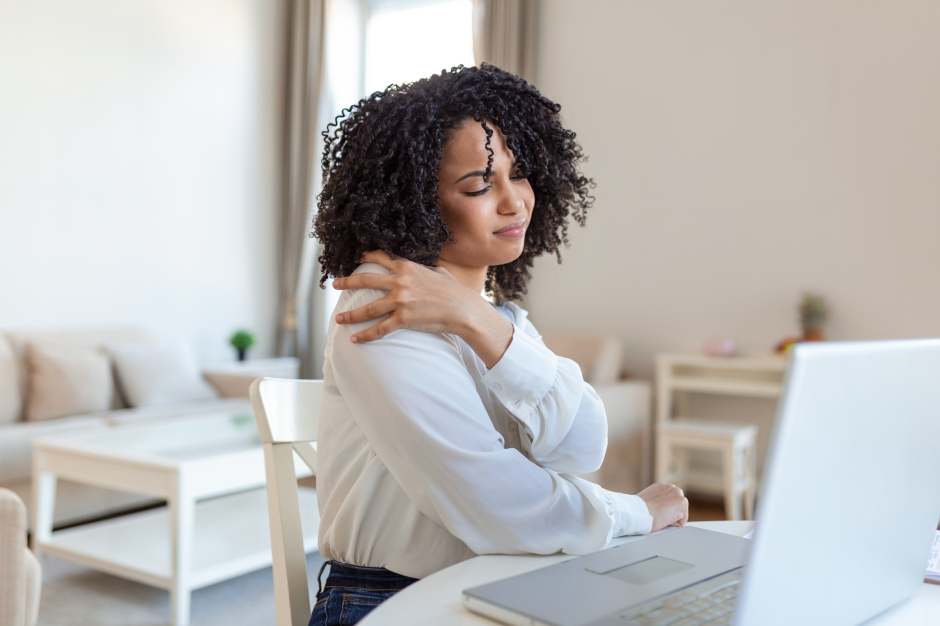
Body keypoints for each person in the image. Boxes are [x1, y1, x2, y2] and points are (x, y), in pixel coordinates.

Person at [310, 64, 688, 626]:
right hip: (388, 601)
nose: (514, 202)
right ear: (415, 199)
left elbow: (584, 447)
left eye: (520, 174)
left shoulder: (489, 312)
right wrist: (635, 513)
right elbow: (495, 506)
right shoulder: (380, 301)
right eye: (479, 185)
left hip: (500, 579)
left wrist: (479, 321)